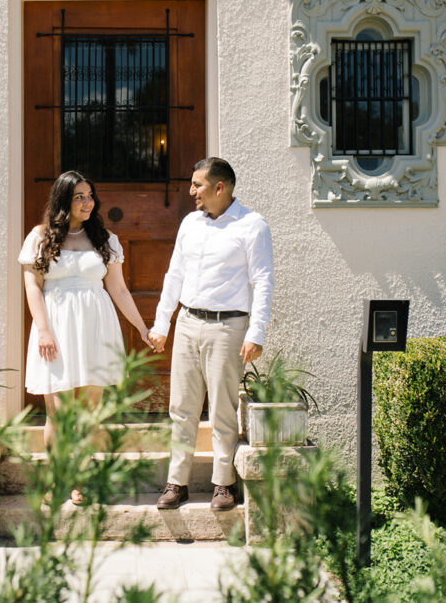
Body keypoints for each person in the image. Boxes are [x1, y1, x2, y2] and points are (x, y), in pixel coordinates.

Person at [148, 157, 274, 512]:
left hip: (228, 327)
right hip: (188, 323)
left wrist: (256, 331)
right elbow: (174, 275)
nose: (192, 192)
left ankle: (223, 484)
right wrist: (162, 324)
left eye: (198, 185)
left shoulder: (252, 226)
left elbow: (263, 281)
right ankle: (177, 482)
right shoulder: (190, 223)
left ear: (220, 188)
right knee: (182, 409)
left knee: (221, 408)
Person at [19, 171, 153, 504]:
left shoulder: (105, 238)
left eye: (90, 195)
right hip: (56, 326)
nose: (87, 202)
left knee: (90, 412)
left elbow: (118, 289)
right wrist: (44, 330)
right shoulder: (40, 237)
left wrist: (141, 326)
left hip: (95, 325)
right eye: (79, 196)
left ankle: (80, 478)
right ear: (63, 200)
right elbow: (32, 287)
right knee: (58, 412)